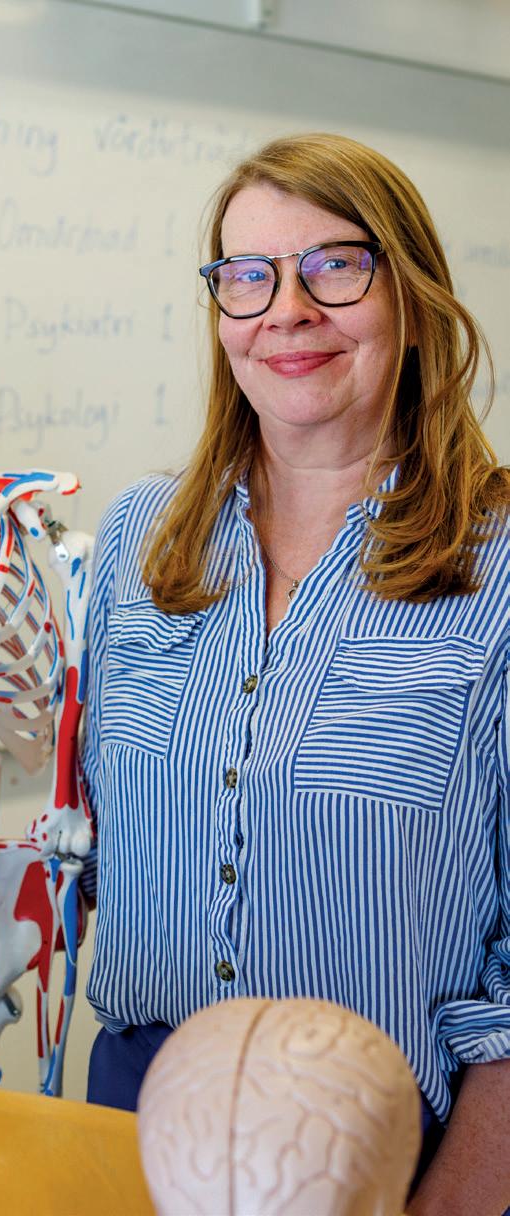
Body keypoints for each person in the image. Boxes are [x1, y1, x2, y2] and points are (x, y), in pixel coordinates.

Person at [80, 132, 510, 1213]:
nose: (286, 310)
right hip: (135, 1118)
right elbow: (89, 842)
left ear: (412, 296)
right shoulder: (139, 539)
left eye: (335, 266)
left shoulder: (498, 563)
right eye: (247, 276)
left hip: (390, 1147)